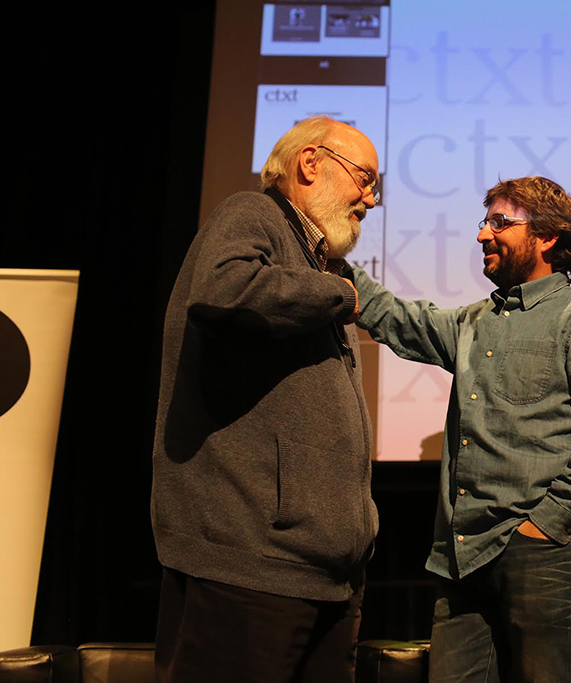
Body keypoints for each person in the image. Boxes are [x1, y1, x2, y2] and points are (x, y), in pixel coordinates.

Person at [353, 176, 571, 682]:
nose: (483, 235)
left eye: (499, 222)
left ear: (549, 237)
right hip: (460, 558)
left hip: (544, 553)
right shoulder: (474, 322)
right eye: (484, 222)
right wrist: (323, 250)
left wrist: (546, 523)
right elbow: (392, 316)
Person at [151, 116, 380, 683]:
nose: (370, 201)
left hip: (324, 572)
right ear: (310, 163)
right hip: (251, 565)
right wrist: (340, 292)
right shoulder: (252, 215)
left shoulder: (316, 260)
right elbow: (223, 292)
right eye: (364, 179)